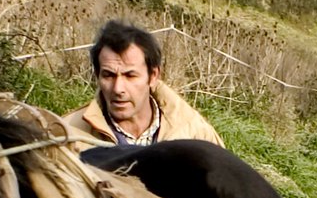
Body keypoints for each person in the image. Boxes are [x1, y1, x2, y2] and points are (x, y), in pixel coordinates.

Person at [62, 19, 223, 147]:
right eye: (108, 75)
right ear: (97, 75)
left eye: (130, 76)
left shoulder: (194, 132)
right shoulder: (67, 135)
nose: (118, 89)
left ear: (153, 76)